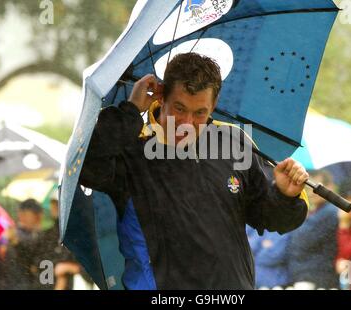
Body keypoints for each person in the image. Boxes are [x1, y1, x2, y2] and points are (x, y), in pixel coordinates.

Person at [79, 52, 310, 289]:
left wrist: (285, 195)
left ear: (214, 104)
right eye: (179, 108)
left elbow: (271, 219)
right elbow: (86, 167)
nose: (187, 122)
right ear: (161, 96)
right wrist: (131, 108)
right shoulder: (129, 148)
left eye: (200, 112)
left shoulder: (234, 143)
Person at [287, 170, 339, 289]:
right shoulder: (317, 211)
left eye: (317, 188)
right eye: (309, 187)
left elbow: (301, 239)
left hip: (317, 276)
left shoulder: (330, 212)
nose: (311, 192)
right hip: (309, 274)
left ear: (329, 186)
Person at [35, 192, 83, 290]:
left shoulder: (81, 233)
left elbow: (94, 268)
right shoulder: (48, 235)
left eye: (58, 204)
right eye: (53, 204)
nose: (54, 208)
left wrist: (70, 268)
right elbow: (42, 263)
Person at [0, 199, 44, 290]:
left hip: (30, 284)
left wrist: (16, 242)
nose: (21, 217)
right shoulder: (12, 233)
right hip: (10, 284)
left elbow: (35, 262)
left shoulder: (42, 237)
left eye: (38, 214)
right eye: (21, 214)